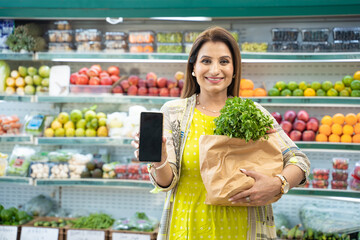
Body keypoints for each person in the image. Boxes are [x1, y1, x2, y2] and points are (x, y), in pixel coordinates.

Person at [132, 26, 310, 240]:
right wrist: (160, 159)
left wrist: (279, 183)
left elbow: (299, 160)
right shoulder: (174, 112)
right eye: (206, 61)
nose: (215, 70)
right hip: (187, 229)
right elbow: (166, 182)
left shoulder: (252, 113)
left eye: (224, 61)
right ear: (193, 68)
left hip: (244, 230)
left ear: (234, 70)